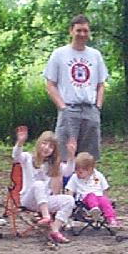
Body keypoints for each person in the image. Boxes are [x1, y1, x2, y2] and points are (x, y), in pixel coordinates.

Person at [44, 14, 108, 161]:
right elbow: (50, 84)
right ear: (71, 31)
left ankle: (86, 183)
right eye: (79, 30)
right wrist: (63, 107)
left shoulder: (95, 55)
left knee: (89, 157)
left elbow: (101, 84)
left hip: (90, 109)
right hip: (69, 108)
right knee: (63, 154)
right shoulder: (59, 54)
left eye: (85, 31)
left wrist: (97, 107)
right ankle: (64, 183)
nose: (82, 34)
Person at [12, 127, 76, 244]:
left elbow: (68, 172)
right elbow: (16, 156)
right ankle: (46, 217)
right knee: (39, 184)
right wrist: (20, 142)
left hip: (45, 200)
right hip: (28, 199)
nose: (46, 148)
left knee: (69, 200)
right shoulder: (28, 158)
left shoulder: (53, 164)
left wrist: (71, 156)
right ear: (38, 144)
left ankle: (55, 230)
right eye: (44, 144)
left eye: (51, 147)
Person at [65, 151, 121, 228]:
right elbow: (70, 189)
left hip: (99, 197)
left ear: (90, 169)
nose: (78, 173)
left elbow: (105, 189)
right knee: (91, 195)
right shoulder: (74, 177)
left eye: (81, 171)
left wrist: (106, 198)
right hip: (84, 199)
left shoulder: (98, 175)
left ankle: (111, 219)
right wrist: (70, 201)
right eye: (76, 170)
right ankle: (95, 210)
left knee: (105, 202)